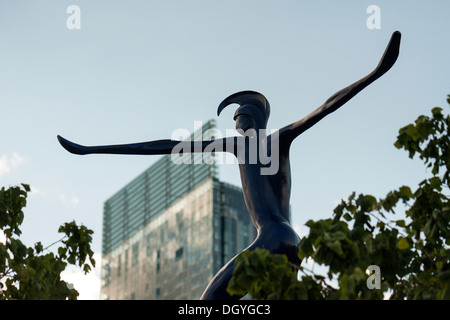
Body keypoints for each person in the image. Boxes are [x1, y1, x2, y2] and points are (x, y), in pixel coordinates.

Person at [58, 31, 401, 300]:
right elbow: (166, 145)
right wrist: (95, 149)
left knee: (207, 301)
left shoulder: (253, 143)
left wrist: (374, 73)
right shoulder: (264, 143)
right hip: (290, 241)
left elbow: (324, 107)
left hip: (272, 236)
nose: (236, 127)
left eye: (239, 120)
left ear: (249, 118)